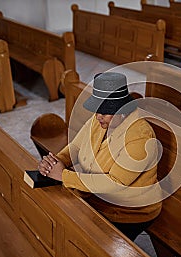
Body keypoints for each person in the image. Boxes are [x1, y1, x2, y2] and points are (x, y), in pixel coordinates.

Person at [38, 72, 162, 241]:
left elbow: (115, 182)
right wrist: (56, 161)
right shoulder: (101, 120)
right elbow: (75, 147)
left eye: (105, 112)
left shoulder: (141, 137)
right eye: (98, 111)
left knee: (83, 240)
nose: (98, 117)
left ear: (122, 111)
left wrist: (63, 175)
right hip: (97, 197)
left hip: (130, 210)